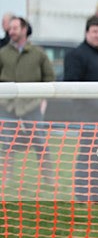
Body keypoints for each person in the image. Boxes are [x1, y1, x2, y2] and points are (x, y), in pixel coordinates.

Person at [64, 16, 98, 202]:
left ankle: (96, 195)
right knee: (86, 156)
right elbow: (71, 87)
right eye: (95, 31)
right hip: (87, 117)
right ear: (87, 32)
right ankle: (82, 195)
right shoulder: (76, 55)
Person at [0, 16, 55, 183]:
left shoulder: (39, 54)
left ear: (24, 30)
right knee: (7, 144)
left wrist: (42, 101)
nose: (11, 31)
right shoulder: (2, 54)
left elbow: (49, 78)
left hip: (32, 107)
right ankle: (6, 180)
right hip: (7, 107)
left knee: (40, 144)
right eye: (10, 28)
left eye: (15, 28)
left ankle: (49, 180)